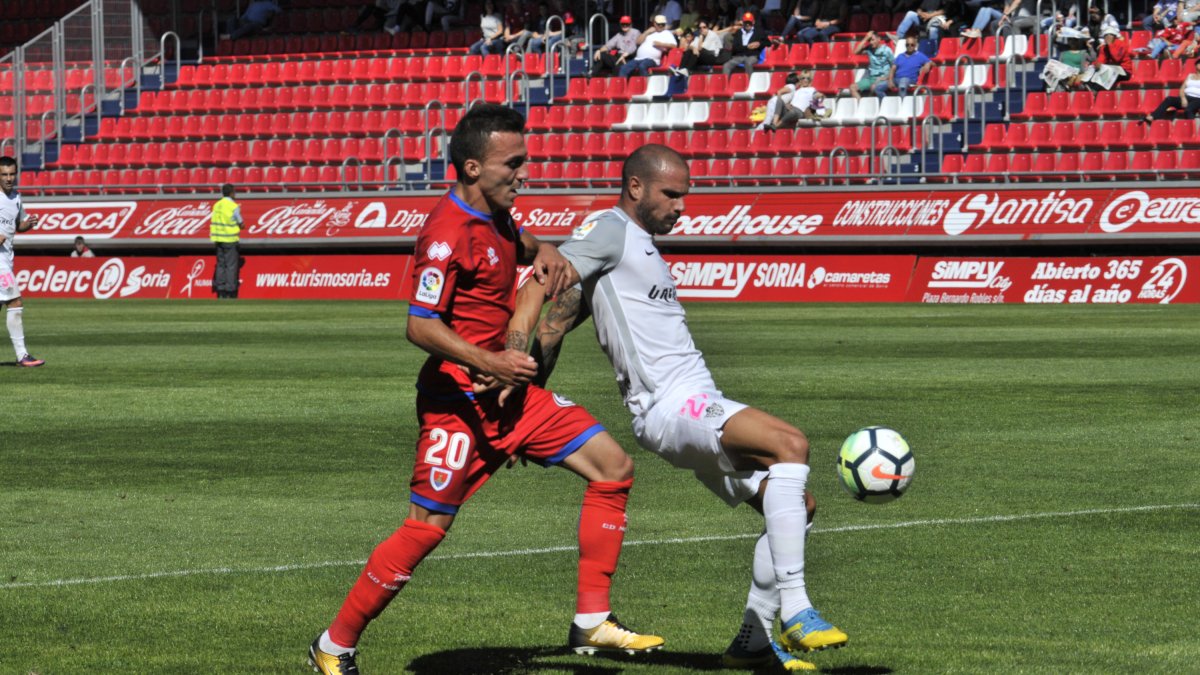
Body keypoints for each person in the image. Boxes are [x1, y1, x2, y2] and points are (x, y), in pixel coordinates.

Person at [306, 104, 663, 675]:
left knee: (613, 467)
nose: (523, 175)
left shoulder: (498, 216)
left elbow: (522, 244)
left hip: (511, 397)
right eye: (512, 164)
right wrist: (490, 362)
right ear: (473, 168)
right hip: (458, 406)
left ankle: (592, 620)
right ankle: (334, 645)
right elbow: (419, 324)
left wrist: (544, 249)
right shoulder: (444, 237)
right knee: (427, 528)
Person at [509, 144, 847, 673]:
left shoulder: (634, 244)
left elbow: (558, 322)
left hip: (695, 402)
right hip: (671, 406)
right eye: (671, 194)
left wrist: (530, 396)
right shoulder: (609, 229)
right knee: (791, 444)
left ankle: (751, 646)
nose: (680, 206)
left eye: (684, 196)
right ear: (636, 187)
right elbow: (544, 285)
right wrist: (517, 384)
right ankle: (797, 609)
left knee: (795, 508)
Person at [0, 156, 45, 368]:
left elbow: (18, 226)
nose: (9, 178)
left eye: (11, 174)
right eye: (4, 174)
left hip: (7, 257)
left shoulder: (17, 198)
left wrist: (28, 224)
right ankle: (22, 355)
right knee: (15, 302)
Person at [209, 183, 244, 299]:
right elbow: (241, 224)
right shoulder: (233, 206)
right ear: (231, 193)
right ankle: (230, 291)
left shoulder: (217, 205)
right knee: (231, 266)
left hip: (218, 239)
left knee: (220, 265)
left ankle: (220, 291)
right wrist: (242, 225)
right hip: (230, 239)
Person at [850, 31, 894, 100]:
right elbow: (856, 52)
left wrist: (887, 77)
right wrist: (865, 38)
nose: (870, 42)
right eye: (869, 40)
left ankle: (878, 107)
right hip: (870, 78)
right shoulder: (869, 49)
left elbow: (894, 66)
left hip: (882, 78)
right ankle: (861, 107)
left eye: (872, 40)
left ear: (879, 39)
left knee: (874, 87)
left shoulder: (887, 50)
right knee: (852, 87)